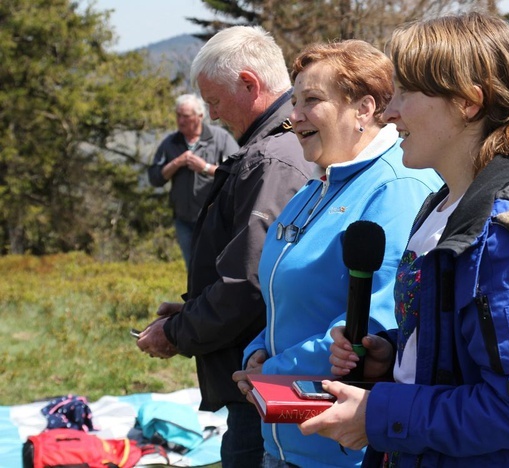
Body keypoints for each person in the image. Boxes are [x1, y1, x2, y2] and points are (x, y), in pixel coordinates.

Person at [299, 13, 509, 467]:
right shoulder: (442, 208)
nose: (388, 111)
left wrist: (378, 413)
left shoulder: (504, 237)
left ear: (469, 103)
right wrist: (395, 354)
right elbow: (472, 348)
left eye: (407, 93)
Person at [232, 40, 442, 467]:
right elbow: (282, 296)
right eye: (293, 102)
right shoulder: (317, 185)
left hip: (341, 448)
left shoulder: (395, 188)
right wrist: (256, 349)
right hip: (284, 438)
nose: (294, 117)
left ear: (363, 110)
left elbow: (374, 323)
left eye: (311, 100)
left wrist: (266, 375)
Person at [135, 26, 314, 468]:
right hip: (259, 369)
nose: (212, 116)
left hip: (259, 376)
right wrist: (192, 309)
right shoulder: (282, 145)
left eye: (214, 102)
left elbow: (249, 282)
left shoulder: (271, 159)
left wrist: (177, 333)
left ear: (250, 85)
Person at [148, 94, 239, 267]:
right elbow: (155, 178)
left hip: (213, 220)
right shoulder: (171, 143)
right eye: (178, 115)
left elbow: (237, 172)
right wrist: (177, 163)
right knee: (192, 268)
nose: (180, 120)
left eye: (186, 116)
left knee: (215, 268)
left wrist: (205, 167)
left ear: (199, 116)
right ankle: (195, 296)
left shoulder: (220, 138)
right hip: (183, 220)